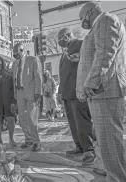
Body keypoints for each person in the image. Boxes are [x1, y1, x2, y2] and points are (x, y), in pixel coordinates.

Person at [77, 2, 126, 181]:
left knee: (110, 140)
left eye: (82, 18)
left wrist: (91, 83)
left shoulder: (105, 21)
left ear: (90, 13)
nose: (82, 23)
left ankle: (117, 177)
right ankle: (111, 171)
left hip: (105, 90)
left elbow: (105, 54)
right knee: (105, 140)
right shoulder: (100, 25)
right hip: (101, 92)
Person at [57, 28, 96, 165]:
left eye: (61, 38)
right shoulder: (64, 52)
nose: (59, 41)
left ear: (68, 35)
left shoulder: (80, 44)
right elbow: (63, 74)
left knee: (82, 122)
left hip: (77, 91)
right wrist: (60, 92)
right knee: (73, 122)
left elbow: (85, 62)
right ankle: (79, 146)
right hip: (67, 93)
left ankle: (89, 149)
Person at [12, 42, 42, 151]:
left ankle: (36, 141)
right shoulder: (15, 63)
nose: (15, 54)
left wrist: (38, 92)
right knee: (22, 118)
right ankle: (28, 139)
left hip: (31, 92)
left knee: (31, 118)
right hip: (19, 92)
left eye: (16, 52)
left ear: (22, 50)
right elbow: (14, 79)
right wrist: (15, 94)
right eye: (14, 52)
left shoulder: (33, 60)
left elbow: (38, 76)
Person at [0, 56, 17, 146]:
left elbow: (12, 88)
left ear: (3, 64)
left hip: (8, 101)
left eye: (0, 64)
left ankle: (11, 139)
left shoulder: (8, 74)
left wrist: (14, 101)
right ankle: (0, 141)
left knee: (11, 120)